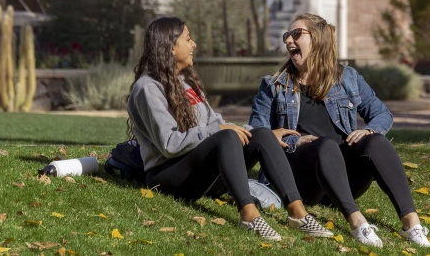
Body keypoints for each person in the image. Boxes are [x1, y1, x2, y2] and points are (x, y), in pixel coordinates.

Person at [126, 16, 332, 241]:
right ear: (171, 47)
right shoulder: (147, 88)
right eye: (188, 39)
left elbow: (215, 122)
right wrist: (219, 131)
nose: (194, 44)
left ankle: (297, 213)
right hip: (168, 176)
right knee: (225, 137)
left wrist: (255, 135)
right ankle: (249, 215)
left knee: (261, 134)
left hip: (200, 170)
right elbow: (169, 145)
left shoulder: (186, 82)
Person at [249, 13, 430, 248]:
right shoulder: (273, 85)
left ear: (318, 39)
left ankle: (411, 224)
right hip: (300, 178)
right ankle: (357, 222)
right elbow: (258, 135)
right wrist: (297, 142)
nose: (288, 41)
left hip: (343, 179)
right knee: (324, 144)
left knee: (376, 141)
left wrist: (369, 131)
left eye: (296, 34)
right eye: (287, 36)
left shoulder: (348, 78)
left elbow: (382, 114)